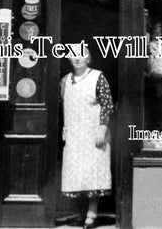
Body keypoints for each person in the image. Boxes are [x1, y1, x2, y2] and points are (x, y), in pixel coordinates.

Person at [60, 47, 114, 228]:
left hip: (93, 134)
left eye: (81, 55)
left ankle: (92, 213)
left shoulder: (98, 77)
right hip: (75, 135)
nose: (77, 59)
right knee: (77, 174)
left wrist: (102, 129)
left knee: (93, 174)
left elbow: (107, 105)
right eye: (73, 56)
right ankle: (80, 213)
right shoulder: (65, 81)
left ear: (88, 58)